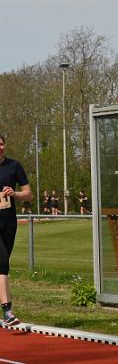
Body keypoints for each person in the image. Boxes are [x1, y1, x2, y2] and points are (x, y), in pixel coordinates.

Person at [0, 134, 32, 326]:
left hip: (9, 223)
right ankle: (7, 310)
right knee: (2, 263)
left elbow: (28, 194)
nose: (0, 147)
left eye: (1, 144)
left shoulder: (14, 166)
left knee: (2, 266)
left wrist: (15, 194)